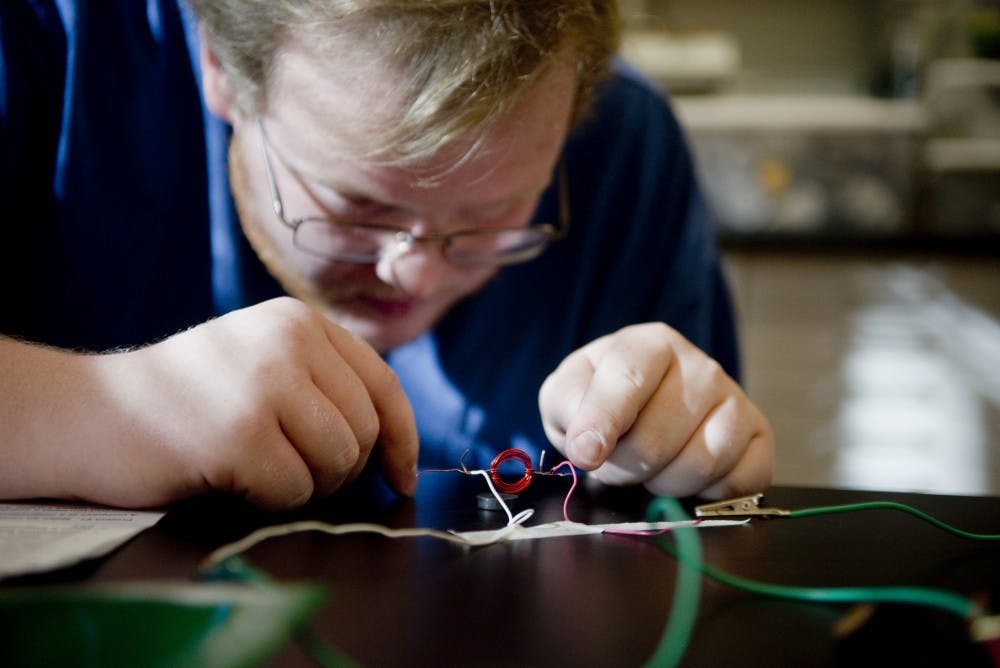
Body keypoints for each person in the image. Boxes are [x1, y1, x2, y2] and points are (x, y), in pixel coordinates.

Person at [0, 0, 773, 511]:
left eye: (496, 211)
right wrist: (112, 408)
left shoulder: (622, 150)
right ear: (221, 72)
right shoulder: (39, 50)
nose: (417, 272)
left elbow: (690, 507)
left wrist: (688, 448)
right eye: (358, 206)